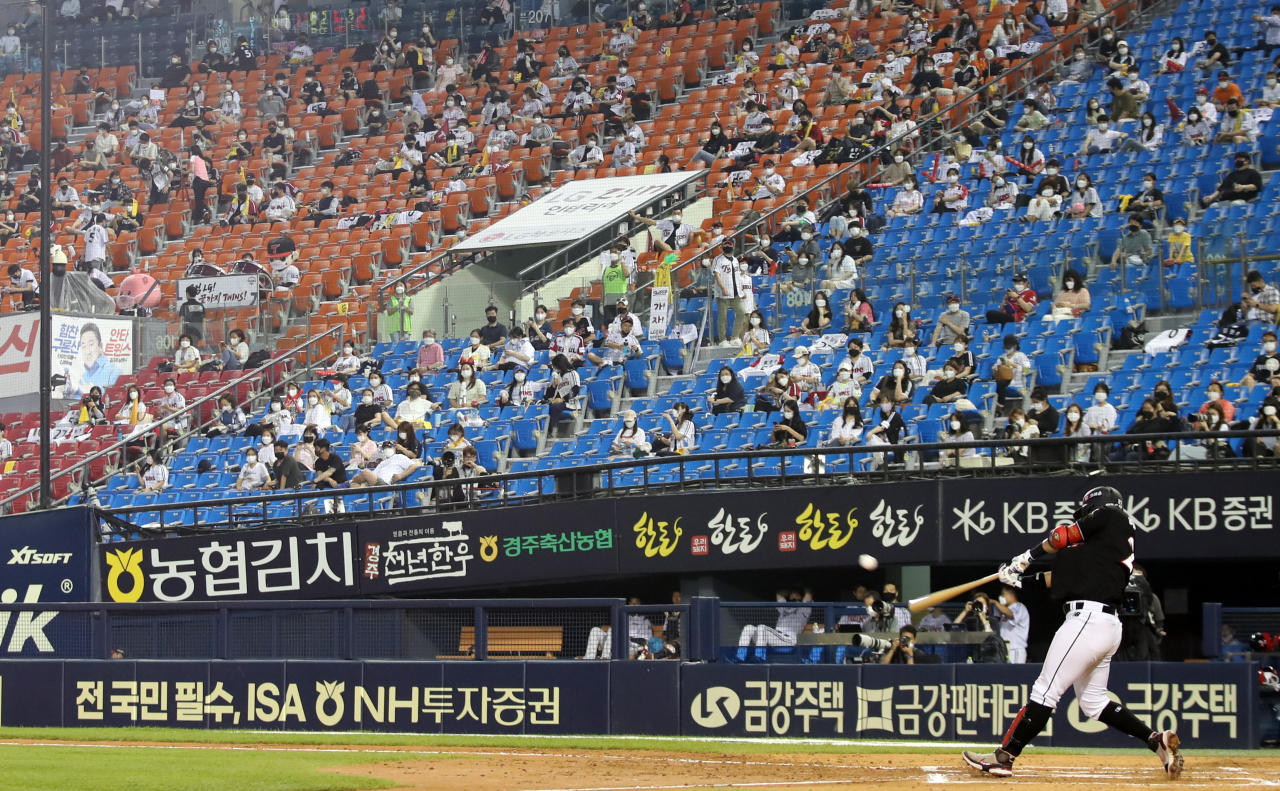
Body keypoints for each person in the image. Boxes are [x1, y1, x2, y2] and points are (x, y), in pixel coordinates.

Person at [962, 486, 1184, 779]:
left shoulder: (1112, 515)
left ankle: (1004, 756)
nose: (1085, 518)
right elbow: (1058, 579)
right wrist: (1017, 580)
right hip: (1105, 625)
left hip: (1087, 621)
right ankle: (1155, 741)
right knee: (1094, 702)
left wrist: (1028, 555)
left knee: (1044, 691)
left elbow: (1061, 536)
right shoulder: (1103, 550)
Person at [736, 589, 812, 661]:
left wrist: (799, 589)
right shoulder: (785, 608)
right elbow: (779, 594)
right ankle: (739, 658)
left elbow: (808, 593)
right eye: (792, 593)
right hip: (775, 639)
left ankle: (759, 658)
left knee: (762, 627)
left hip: (788, 641)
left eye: (796, 593)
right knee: (748, 628)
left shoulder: (804, 609)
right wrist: (791, 591)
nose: (793, 595)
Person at [994, 335, 1032, 412]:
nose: (1007, 349)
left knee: (1000, 384)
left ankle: (1001, 405)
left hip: (1017, 380)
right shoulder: (1002, 357)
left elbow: (1027, 368)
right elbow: (995, 368)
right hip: (1004, 378)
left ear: (1015, 346)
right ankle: (995, 405)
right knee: (996, 383)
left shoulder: (1021, 355)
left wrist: (1013, 365)